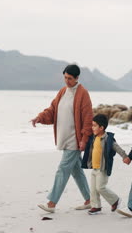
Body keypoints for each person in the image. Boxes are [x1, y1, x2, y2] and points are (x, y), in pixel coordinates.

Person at [31, 64, 93, 213]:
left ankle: (51, 203)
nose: (67, 81)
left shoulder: (83, 94)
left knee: (63, 169)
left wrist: (84, 138)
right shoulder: (63, 92)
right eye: (65, 77)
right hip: (64, 138)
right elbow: (52, 110)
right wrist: (40, 117)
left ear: (77, 78)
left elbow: (87, 118)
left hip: (74, 139)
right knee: (76, 170)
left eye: (70, 78)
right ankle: (90, 200)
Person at [81, 114, 129, 215]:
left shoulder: (108, 139)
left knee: (100, 187)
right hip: (94, 168)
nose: (92, 127)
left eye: (94, 126)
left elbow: (117, 147)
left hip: (102, 168)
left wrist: (124, 156)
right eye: (92, 125)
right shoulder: (93, 137)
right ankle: (96, 207)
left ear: (102, 127)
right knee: (93, 189)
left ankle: (115, 200)